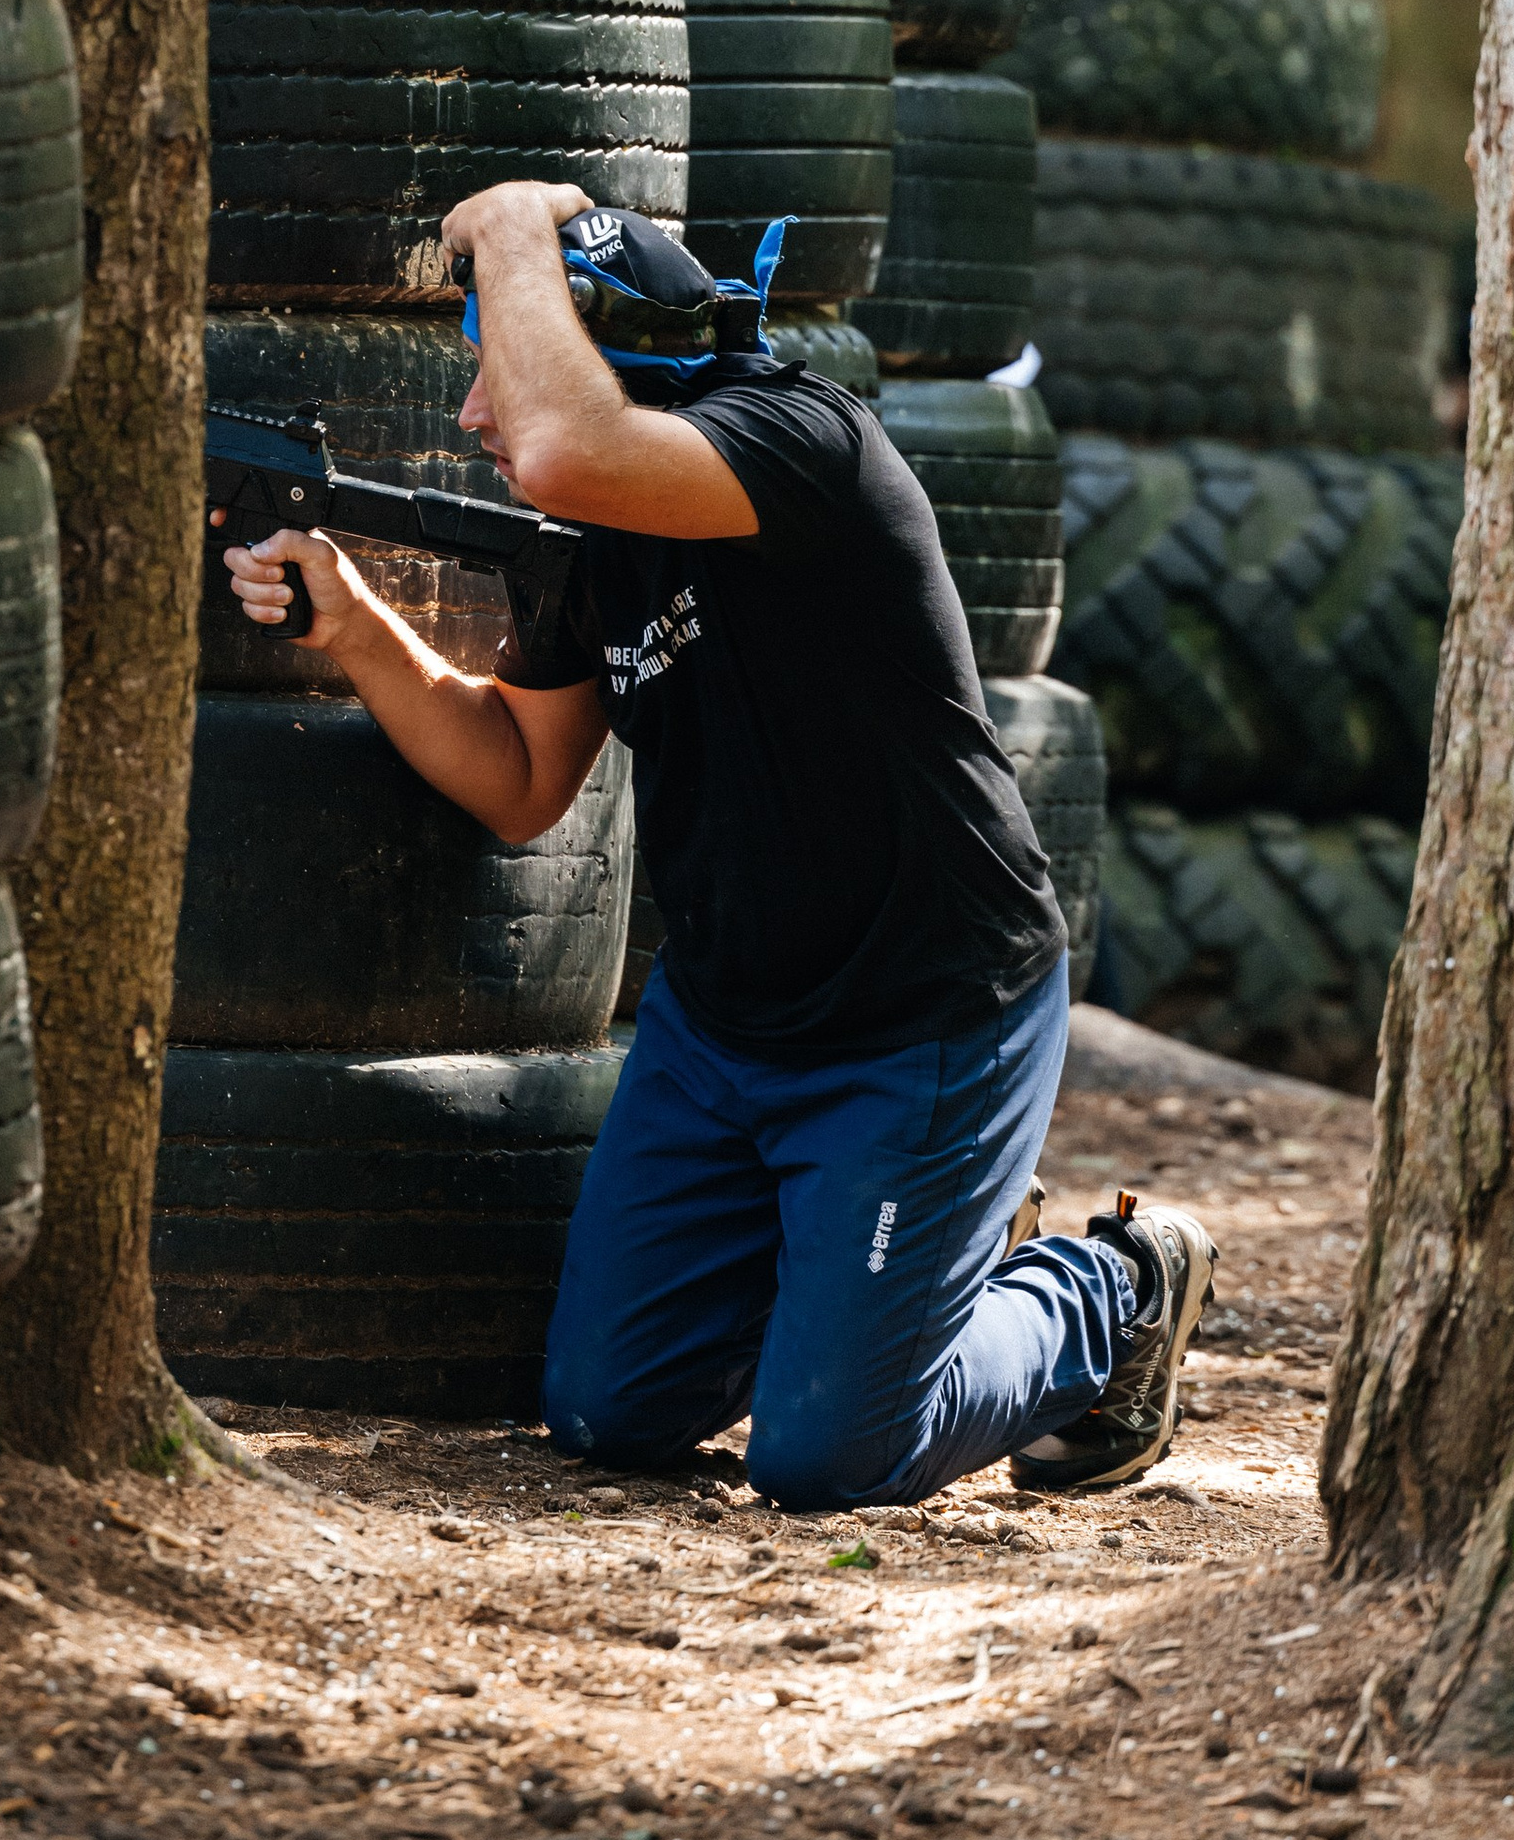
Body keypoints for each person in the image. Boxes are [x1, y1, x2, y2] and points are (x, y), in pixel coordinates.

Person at [219, 177, 1215, 1510]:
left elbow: (572, 445)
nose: (471, 418)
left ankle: (1108, 1289)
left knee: (826, 1462)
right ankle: (896, 1290)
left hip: (921, 1015)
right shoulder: (588, 543)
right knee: (608, 1411)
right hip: (725, 1028)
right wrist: (349, 628)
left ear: (621, 364)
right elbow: (520, 782)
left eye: (500, 375)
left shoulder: (805, 441)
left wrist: (514, 224)